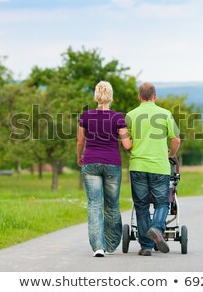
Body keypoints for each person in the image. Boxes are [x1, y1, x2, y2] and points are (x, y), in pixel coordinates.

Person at [77, 81, 132, 257]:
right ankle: (110, 244)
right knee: (112, 205)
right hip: (112, 164)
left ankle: (98, 247)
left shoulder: (86, 116)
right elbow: (126, 144)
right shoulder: (118, 118)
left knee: (94, 204)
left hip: (91, 162)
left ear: (96, 95)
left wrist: (79, 156)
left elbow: (80, 141)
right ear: (111, 96)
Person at [125, 82, 180, 256]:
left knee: (141, 205)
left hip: (138, 165)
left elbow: (127, 144)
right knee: (162, 203)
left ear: (139, 97)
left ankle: (147, 246)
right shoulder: (165, 114)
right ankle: (156, 228)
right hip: (159, 166)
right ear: (155, 96)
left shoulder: (130, 115)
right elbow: (176, 139)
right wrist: (170, 153)